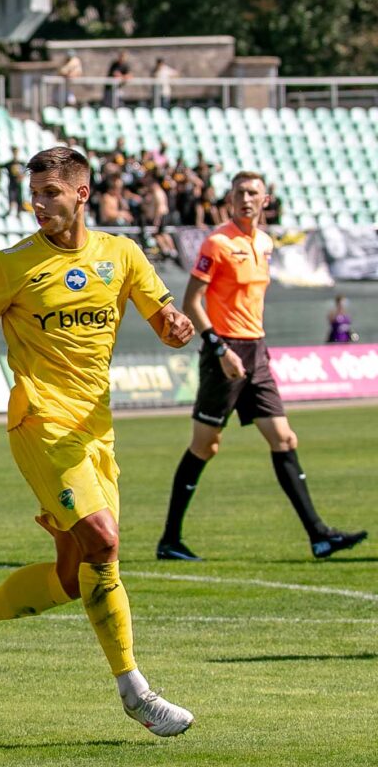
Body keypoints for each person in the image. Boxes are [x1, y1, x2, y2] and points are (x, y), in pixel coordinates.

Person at [0, 146, 198, 737]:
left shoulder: (122, 254)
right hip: (39, 424)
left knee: (72, 573)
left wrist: (176, 328)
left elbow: (165, 321)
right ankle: (136, 691)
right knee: (103, 544)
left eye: (51, 193)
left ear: (82, 194)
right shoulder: (11, 265)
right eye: (34, 194)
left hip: (96, 430)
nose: (38, 204)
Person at [157, 172, 367, 562]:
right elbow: (191, 302)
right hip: (225, 353)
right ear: (230, 199)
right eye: (239, 193)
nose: (246, 199)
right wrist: (218, 348)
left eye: (253, 193)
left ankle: (319, 536)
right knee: (206, 446)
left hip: (257, 351)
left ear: (265, 199)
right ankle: (170, 540)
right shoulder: (217, 242)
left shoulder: (265, 243)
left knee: (284, 438)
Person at [0, 147, 25, 215]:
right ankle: (10, 211)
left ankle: (19, 213)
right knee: (11, 198)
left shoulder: (22, 164)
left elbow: (27, 171)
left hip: (18, 184)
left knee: (19, 198)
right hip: (12, 184)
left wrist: (22, 176)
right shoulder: (9, 164)